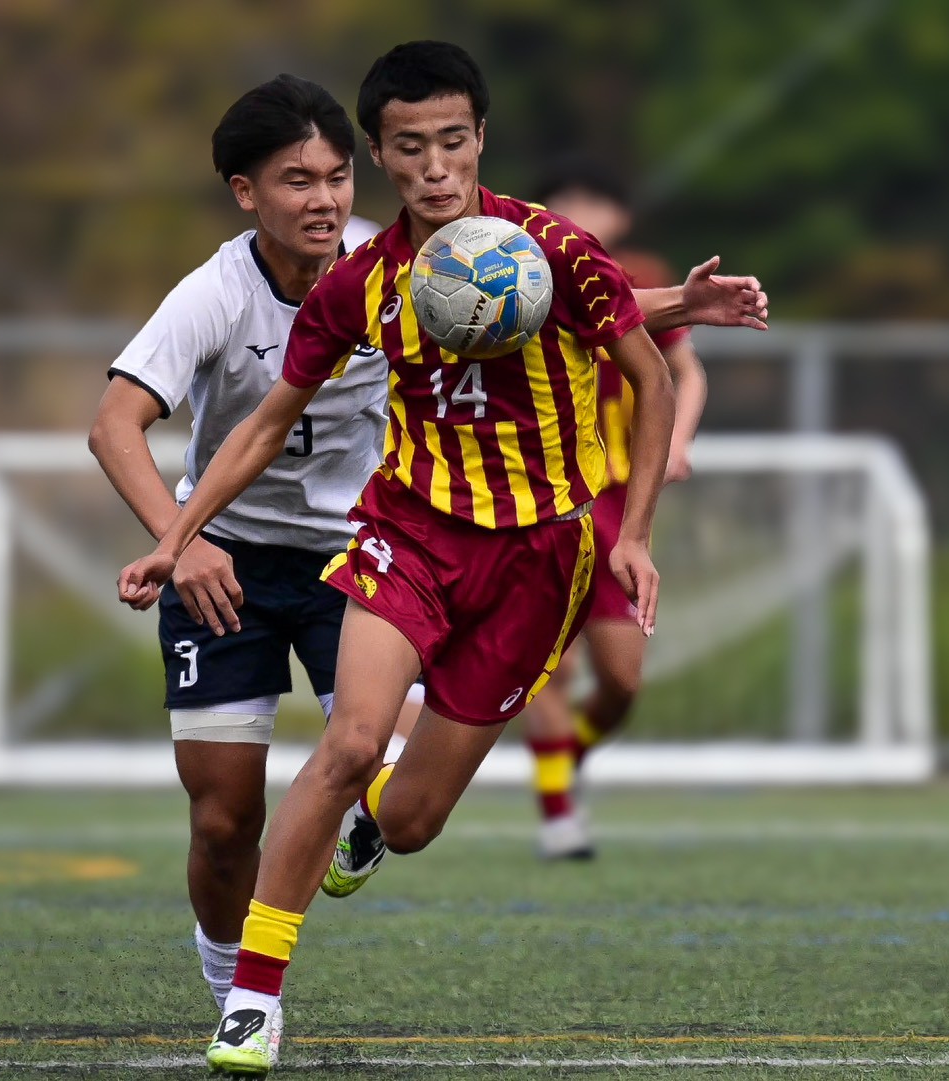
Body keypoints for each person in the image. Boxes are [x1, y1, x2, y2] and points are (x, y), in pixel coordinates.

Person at [116, 41, 767, 1078]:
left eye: (452, 142)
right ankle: (251, 1000)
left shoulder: (551, 250)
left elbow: (645, 375)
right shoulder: (362, 280)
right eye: (409, 147)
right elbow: (263, 422)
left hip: (539, 559)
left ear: (480, 140)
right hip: (406, 534)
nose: (433, 167)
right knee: (348, 743)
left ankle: (375, 825)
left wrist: (634, 533)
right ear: (380, 156)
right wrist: (177, 534)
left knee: (412, 816)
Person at [87, 74, 417, 1073]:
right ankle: (236, 984)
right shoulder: (215, 293)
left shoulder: (397, 266)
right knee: (226, 816)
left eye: (337, 177)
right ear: (245, 193)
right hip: (225, 564)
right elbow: (113, 426)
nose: (323, 200)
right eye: (295, 181)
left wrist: (672, 307)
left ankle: (361, 827)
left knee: (384, 766)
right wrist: (181, 540)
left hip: (357, 554)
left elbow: (533, 304)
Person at [520, 161, 728, 860]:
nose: (578, 211)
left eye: (594, 201)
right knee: (549, 670)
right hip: (541, 500)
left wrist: (678, 441)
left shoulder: (641, 281)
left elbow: (685, 371)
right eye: (564, 198)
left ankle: (566, 760)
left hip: (616, 507)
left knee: (621, 679)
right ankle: (558, 815)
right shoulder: (517, 279)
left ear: (621, 217)